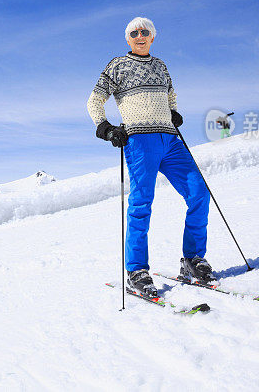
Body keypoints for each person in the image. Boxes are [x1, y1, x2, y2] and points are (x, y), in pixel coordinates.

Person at [86, 17, 216, 297]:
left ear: (153, 37)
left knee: (199, 193)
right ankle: (137, 271)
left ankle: (192, 260)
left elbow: (170, 95)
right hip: (139, 141)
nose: (140, 35)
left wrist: (174, 112)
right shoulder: (117, 65)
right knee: (142, 203)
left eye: (145, 32)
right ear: (128, 39)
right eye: (134, 33)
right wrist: (105, 127)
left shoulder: (160, 66)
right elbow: (94, 100)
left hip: (170, 140)